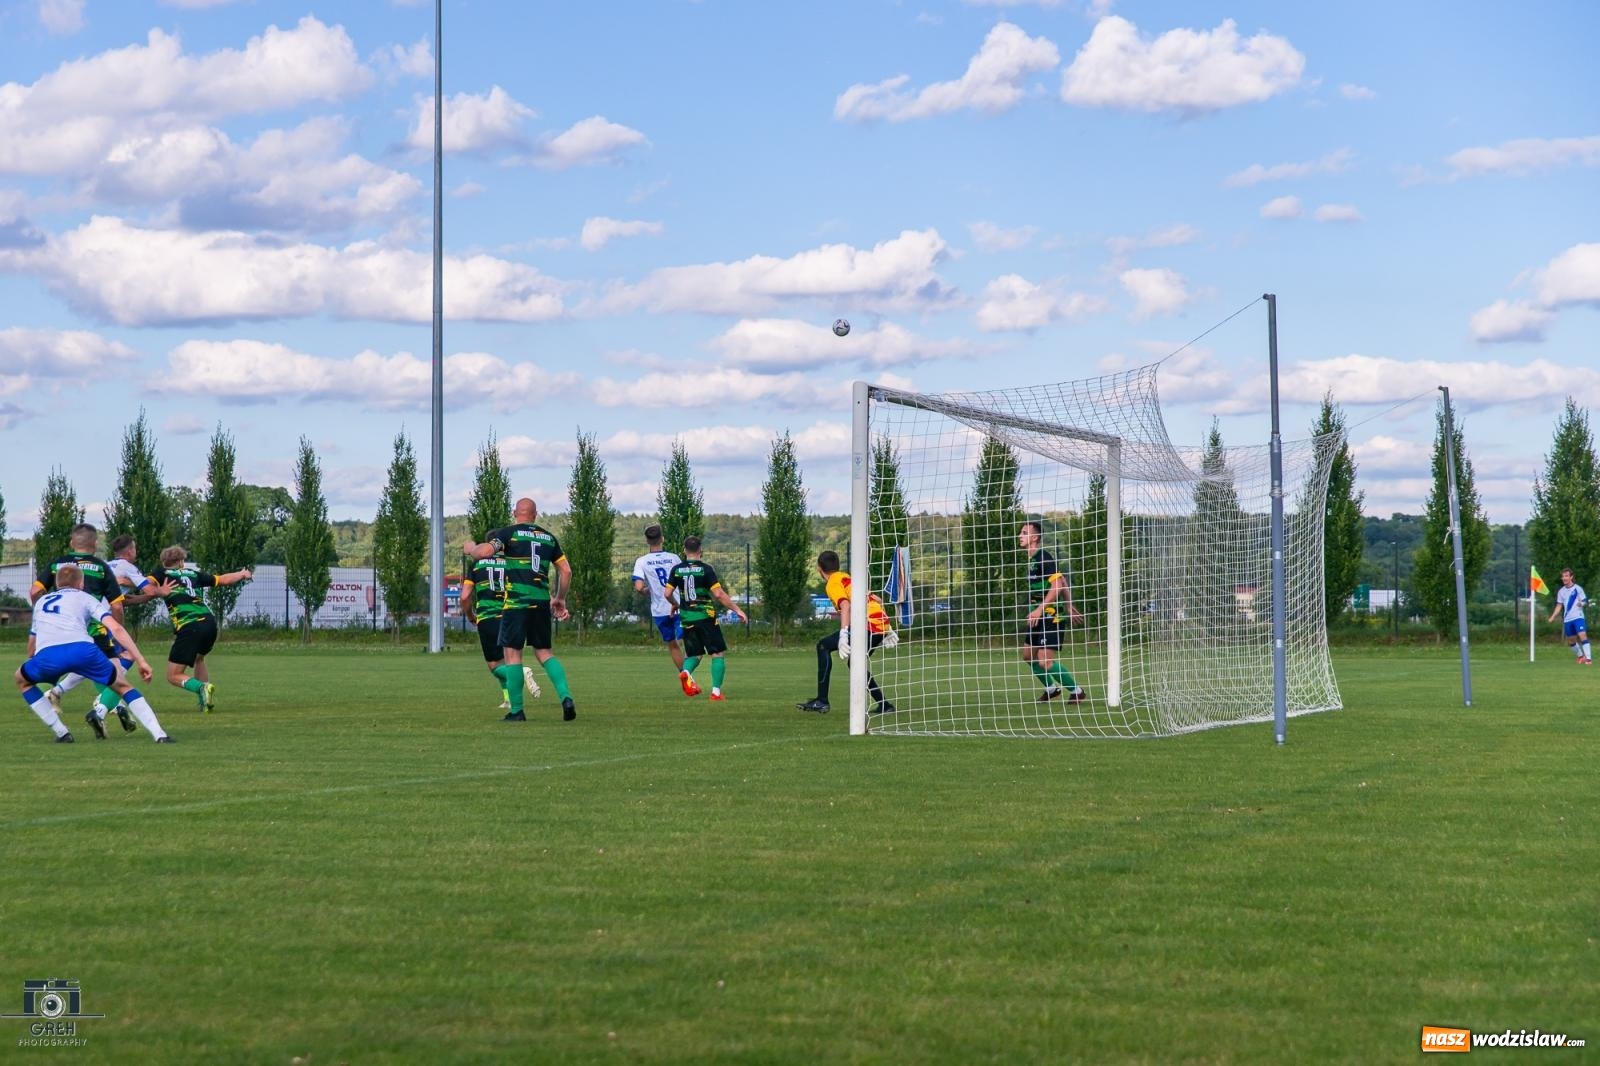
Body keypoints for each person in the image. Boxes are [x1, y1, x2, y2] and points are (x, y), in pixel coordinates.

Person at [15, 563, 171, 743]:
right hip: (83, 650)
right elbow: (116, 628)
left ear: (57, 584)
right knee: (123, 686)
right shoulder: (86, 597)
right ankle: (160, 735)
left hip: (48, 655)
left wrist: (34, 662)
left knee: (22, 679)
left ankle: (62, 733)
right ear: (81, 584)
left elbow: (32, 643)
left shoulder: (42, 602)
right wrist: (141, 660)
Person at [463, 497, 576, 722]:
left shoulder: (508, 534)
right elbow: (566, 571)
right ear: (535, 514)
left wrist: (471, 548)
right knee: (545, 653)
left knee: (512, 655)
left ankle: (517, 711)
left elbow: (485, 552)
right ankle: (566, 698)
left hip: (516, 604)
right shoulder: (549, 538)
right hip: (541, 602)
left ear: (515, 512)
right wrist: (560, 598)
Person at [149, 545, 253, 712]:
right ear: (181, 562)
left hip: (190, 625)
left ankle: (201, 688)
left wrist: (156, 590)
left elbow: (145, 585)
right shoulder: (194, 574)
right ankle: (205, 702)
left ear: (164, 562)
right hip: (209, 623)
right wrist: (242, 574)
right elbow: (222, 580)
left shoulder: (162, 574)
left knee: (173, 675)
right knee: (199, 659)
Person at [796, 550, 896, 715]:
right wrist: (887, 628)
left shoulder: (833, 583)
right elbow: (876, 600)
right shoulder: (846, 577)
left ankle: (821, 701)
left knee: (823, 646)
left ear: (819, 568)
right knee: (856, 664)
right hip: (879, 624)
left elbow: (846, 606)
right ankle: (885, 705)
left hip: (868, 626)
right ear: (837, 566)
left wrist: (844, 633)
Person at [664, 536, 748, 701]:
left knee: (694, 653)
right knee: (716, 652)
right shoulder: (706, 569)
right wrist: (738, 610)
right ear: (700, 550)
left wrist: (675, 604)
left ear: (684, 550)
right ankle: (716, 692)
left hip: (687, 618)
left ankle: (686, 672)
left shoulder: (676, 569)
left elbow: (667, 593)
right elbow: (718, 594)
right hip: (705, 617)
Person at [461, 544, 539, 709]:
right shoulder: (511, 563)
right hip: (512, 616)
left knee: (494, 666)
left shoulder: (476, 565)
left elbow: (465, 596)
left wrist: (470, 616)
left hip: (488, 617)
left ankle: (521, 672)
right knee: (506, 659)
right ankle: (508, 699)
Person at [1018, 521, 1086, 704]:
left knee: (1044, 660)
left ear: (1035, 537)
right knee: (1028, 656)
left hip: (1050, 615)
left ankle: (1077, 691)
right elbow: (1062, 580)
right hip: (1038, 614)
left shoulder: (1043, 557)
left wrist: (1041, 609)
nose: (1020, 536)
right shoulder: (1032, 560)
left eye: (1024, 533)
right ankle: (1051, 689)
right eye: (1020, 533)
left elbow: (1057, 585)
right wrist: (1069, 603)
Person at [631, 524, 686, 680]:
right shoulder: (674, 557)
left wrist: (649, 591)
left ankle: (684, 673)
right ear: (662, 538)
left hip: (659, 610)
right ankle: (688, 673)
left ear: (647, 541)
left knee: (672, 643)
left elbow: (639, 586)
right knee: (689, 640)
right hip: (678, 606)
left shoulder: (642, 561)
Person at [1547, 567, 1592, 665]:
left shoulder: (1578, 589)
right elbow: (1559, 605)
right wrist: (1553, 617)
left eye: (1566, 576)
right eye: (1563, 576)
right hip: (1567, 619)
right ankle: (1580, 656)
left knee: (1582, 635)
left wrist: (1581, 604)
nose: (1564, 578)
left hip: (1578, 617)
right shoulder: (1561, 591)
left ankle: (1588, 659)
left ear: (1571, 577)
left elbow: (1585, 601)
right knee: (1571, 641)